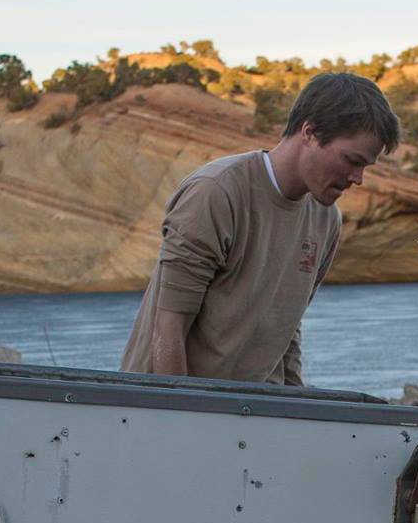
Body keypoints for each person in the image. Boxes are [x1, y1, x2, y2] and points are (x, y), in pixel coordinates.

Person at [120, 72, 398, 387]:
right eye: (351, 160)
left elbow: (287, 330)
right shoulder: (216, 192)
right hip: (162, 409)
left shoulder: (326, 219)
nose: (357, 178)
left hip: (253, 414)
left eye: (365, 167)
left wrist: (296, 408)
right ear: (310, 132)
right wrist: (186, 418)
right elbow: (167, 325)